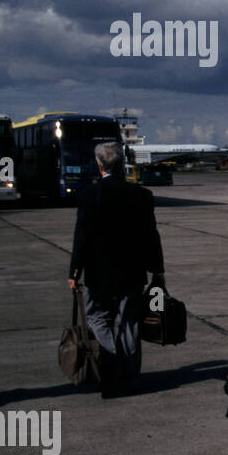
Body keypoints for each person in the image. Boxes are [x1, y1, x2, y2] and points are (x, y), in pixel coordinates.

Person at [68, 142, 164, 398]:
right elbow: (151, 236)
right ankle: (131, 378)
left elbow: (82, 237)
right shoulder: (142, 195)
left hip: (98, 273)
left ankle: (111, 369)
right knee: (129, 321)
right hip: (132, 272)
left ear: (99, 166)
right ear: (122, 164)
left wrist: (74, 272)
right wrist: (158, 270)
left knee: (98, 318)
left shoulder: (89, 196)